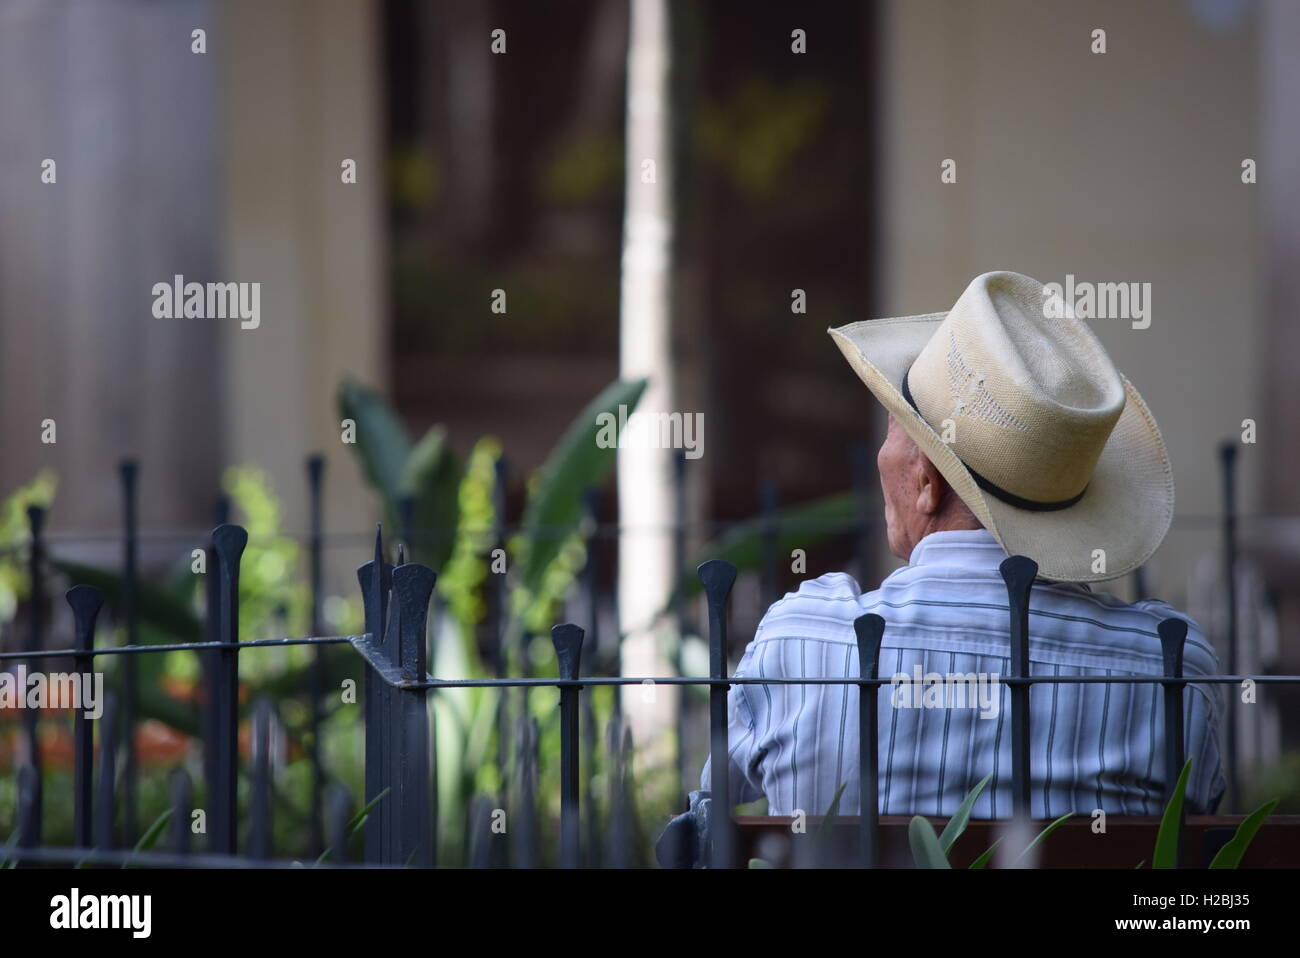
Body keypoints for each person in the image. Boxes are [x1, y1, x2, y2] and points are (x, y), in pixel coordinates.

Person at [700, 270, 1225, 819]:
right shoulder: (1171, 670)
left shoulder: (804, 644)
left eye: (893, 429)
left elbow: (708, 810)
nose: (880, 456)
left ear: (927, 481)